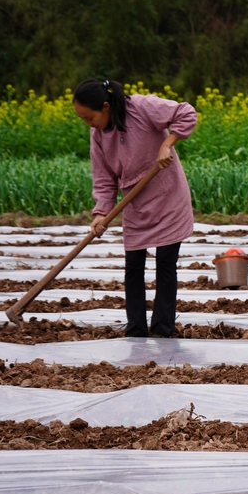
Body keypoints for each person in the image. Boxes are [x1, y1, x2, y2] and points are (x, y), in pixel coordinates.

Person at [73, 78, 198, 338]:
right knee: (133, 265)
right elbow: (104, 177)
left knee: (165, 262)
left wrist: (167, 143)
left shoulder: (141, 107)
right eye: (84, 119)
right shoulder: (98, 135)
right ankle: (136, 330)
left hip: (167, 194)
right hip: (134, 201)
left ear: (106, 106)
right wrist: (100, 213)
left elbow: (186, 113)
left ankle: (163, 329)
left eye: (90, 117)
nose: (89, 123)